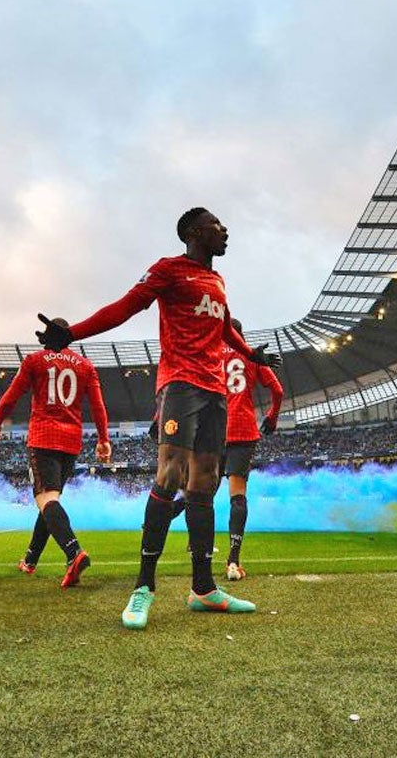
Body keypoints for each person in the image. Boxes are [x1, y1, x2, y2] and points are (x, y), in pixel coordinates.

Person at [36, 207, 280, 629]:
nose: (224, 230)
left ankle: (202, 588)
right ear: (194, 232)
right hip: (180, 384)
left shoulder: (218, 281)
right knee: (169, 476)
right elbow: (126, 307)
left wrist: (249, 354)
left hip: (214, 391)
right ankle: (143, 588)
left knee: (205, 484)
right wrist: (71, 333)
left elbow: (224, 330)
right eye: (216, 225)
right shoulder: (168, 270)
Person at [0, 319, 111, 588]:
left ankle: (74, 552)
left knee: (46, 500)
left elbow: (11, 395)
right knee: (49, 501)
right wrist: (103, 439)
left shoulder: (34, 361)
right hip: (71, 442)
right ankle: (30, 559)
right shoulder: (86, 366)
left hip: (44, 437)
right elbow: (98, 406)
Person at [220, 318, 284, 581]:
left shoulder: (212, 356)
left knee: (200, 493)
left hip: (214, 431)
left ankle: (197, 553)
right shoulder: (252, 356)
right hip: (243, 430)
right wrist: (272, 416)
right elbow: (277, 390)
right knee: (237, 496)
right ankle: (233, 562)